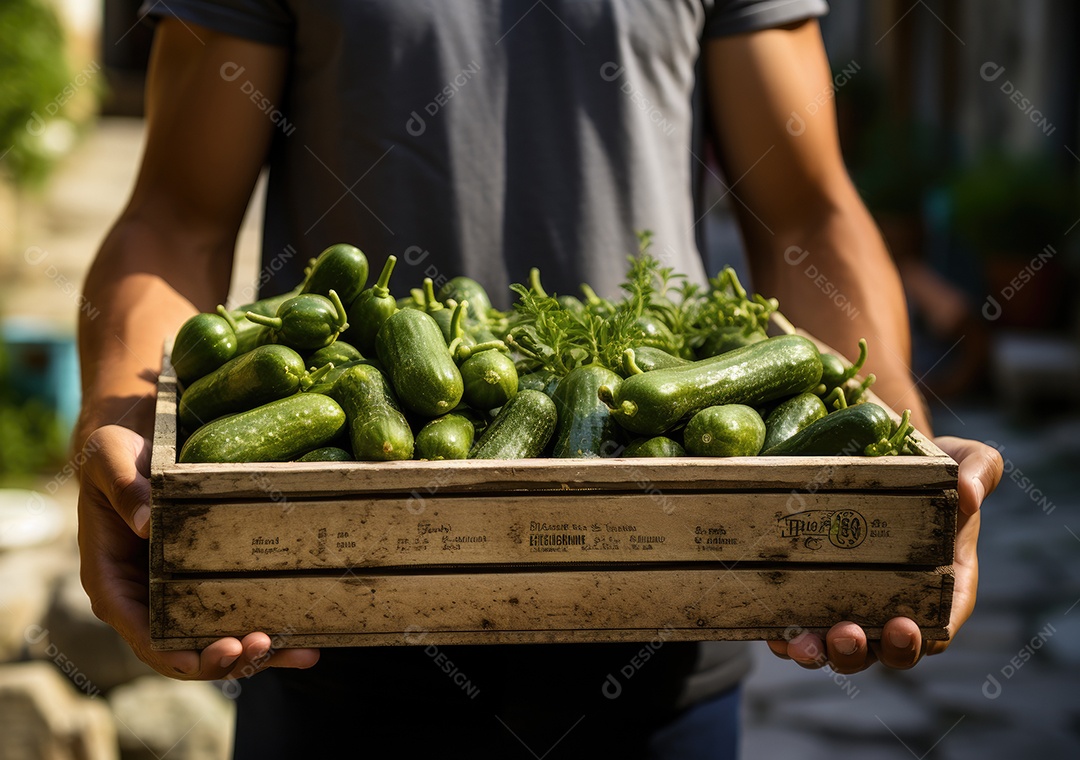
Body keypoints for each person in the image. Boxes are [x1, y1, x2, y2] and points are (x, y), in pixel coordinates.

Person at [76, 1, 1003, 757]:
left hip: (663, 635)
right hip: (329, 623)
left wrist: (900, 453)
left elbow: (807, 212)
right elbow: (175, 217)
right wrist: (121, 432)